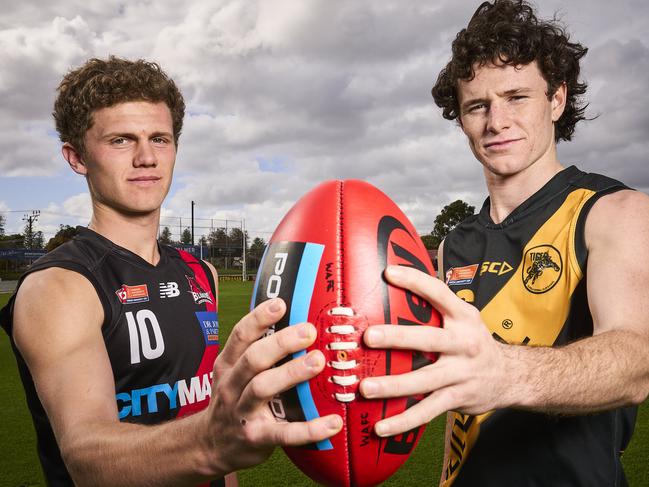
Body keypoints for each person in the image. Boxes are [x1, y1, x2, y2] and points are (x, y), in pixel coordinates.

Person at [0, 56, 342, 487]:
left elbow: (211, 412)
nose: (146, 157)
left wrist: (220, 451)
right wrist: (210, 443)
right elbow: (87, 457)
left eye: (160, 139)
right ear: (77, 157)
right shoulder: (59, 286)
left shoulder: (200, 272)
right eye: (121, 140)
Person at [358, 1, 649, 486]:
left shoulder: (615, 211)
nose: (497, 121)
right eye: (477, 105)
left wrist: (506, 373)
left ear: (556, 100)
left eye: (517, 97)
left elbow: (636, 360)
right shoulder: (455, 243)